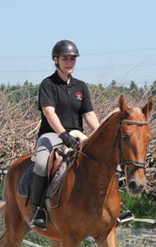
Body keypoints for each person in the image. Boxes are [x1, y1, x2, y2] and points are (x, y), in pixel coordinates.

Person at [29, 39, 100, 229]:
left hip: (77, 135)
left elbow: (89, 114)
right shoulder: (48, 84)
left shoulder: (81, 86)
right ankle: (38, 210)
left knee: (104, 159)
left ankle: (109, 208)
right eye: (65, 59)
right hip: (51, 135)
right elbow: (48, 112)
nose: (69, 63)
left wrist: (99, 133)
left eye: (72, 59)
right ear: (55, 59)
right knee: (43, 163)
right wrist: (63, 134)